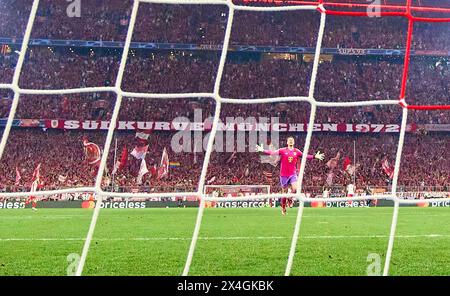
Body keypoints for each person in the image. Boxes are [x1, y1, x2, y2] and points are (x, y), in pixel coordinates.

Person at [256, 136, 324, 215]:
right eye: (289, 140)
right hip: (284, 175)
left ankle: (290, 198)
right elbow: (273, 153)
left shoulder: (297, 151)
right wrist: (262, 150)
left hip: (292, 174)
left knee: (295, 188)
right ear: (287, 142)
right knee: (284, 193)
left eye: (292, 140)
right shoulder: (283, 150)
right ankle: (284, 208)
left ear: (294, 142)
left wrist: (314, 156)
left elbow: (305, 156)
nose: (291, 141)